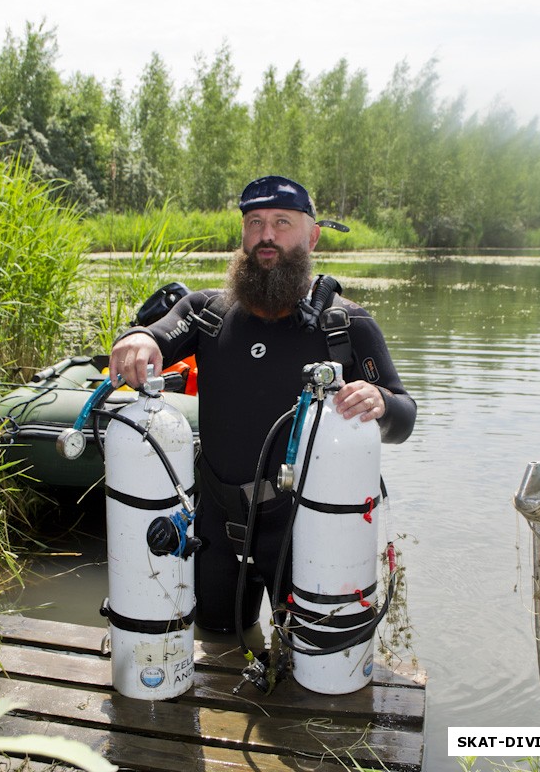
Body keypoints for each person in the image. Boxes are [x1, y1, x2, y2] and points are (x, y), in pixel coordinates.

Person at [109, 175, 416, 632]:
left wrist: (379, 402)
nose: (266, 236)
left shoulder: (345, 326)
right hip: (214, 521)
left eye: (281, 222)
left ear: (311, 236)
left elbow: (404, 418)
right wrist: (136, 338)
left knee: (308, 656)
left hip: (304, 526)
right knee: (212, 641)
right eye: (254, 222)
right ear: (242, 235)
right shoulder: (206, 314)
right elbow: (152, 335)